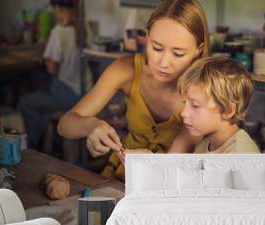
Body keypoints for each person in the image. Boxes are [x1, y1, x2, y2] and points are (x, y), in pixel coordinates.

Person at [57, 0, 210, 181]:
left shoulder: (206, 90)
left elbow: (177, 162)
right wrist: (90, 126)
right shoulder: (127, 69)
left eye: (178, 54)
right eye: (157, 48)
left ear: (198, 51)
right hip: (119, 177)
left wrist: (151, 161)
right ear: (146, 37)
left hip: (171, 184)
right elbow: (65, 125)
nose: (163, 63)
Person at [18, 0, 92, 150]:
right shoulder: (85, 28)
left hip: (69, 96)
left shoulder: (58, 31)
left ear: (58, 8)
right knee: (42, 96)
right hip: (88, 94)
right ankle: (51, 141)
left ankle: (34, 146)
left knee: (25, 103)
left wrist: (46, 56)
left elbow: (52, 69)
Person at [178, 56, 260, 154]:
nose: (183, 113)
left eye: (195, 105)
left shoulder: (241, 154)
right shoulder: (203, 146)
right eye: (184, 103)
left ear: (227, 110)